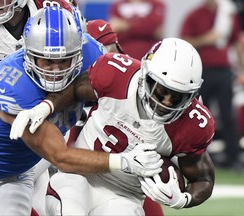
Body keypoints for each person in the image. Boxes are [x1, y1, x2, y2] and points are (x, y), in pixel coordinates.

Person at [0, 6, 164, 216]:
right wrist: (125, 162)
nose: (56, 71)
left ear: (78, 52)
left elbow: (136, 81)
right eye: (47, 61)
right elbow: (60, 156)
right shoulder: (15, 85)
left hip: (16, 174)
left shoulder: (90, 52)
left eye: (64, 60)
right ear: (28, 54)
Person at [12, 38, 216, 215]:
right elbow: (74, 89)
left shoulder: (194, 124)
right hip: (78, 174)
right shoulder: (116, 73)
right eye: (161, 91)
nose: (167, 103)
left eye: (178, 97)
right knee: (69, 208)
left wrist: (184, 199)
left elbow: (204, 180)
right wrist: (47, 106)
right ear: (146, 75)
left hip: (124, 195)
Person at [86, 18, 164, 216]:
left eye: (110, 50)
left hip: (124, 177)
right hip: (77, 169)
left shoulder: (134, 80)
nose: (109, 58)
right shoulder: (69, 81)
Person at [180, 0, 243, 169]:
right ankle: (195, 157)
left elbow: (237, 42)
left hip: (223, 70)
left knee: (228, 115)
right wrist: (206, 39)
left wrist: (242, 68)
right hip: (202, 71)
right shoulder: (195, 15)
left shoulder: (227, 14)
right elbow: (184, 42)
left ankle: (233, 157)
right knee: (197, 114)